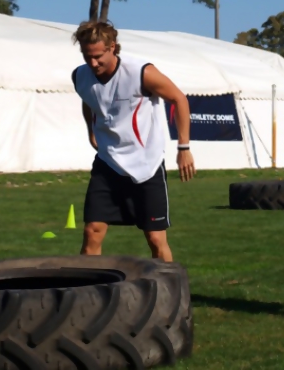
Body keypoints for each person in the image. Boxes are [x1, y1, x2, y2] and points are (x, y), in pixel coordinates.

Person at [70, 20, 196, 263]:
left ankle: (169, 293)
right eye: (87, 57)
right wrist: (91, 131)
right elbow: (88, 100)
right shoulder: (80, 76)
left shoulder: (141, 72)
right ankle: (89, 294)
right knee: (92, 232)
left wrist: (184, 147)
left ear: (112, 48)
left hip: (146, 165)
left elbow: (179, 99)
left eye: (98, 57)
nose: (93, 63)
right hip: (108, 163)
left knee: (156, 239)